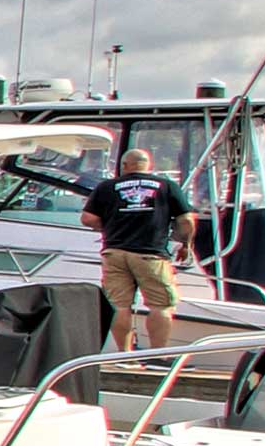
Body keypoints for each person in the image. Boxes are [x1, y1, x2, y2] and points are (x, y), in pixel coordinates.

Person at [80, 148, 198, 348]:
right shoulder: (166, 186)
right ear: (148, 166)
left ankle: (124, 355)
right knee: (161, 305)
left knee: (119, 305)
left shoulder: (107, 187)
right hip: (150, 254)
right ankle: (156, 354)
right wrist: (185, 244)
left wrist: (109, 226)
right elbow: (186, 220)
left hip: (114, 253)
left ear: (124, 165)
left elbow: (87, 218)